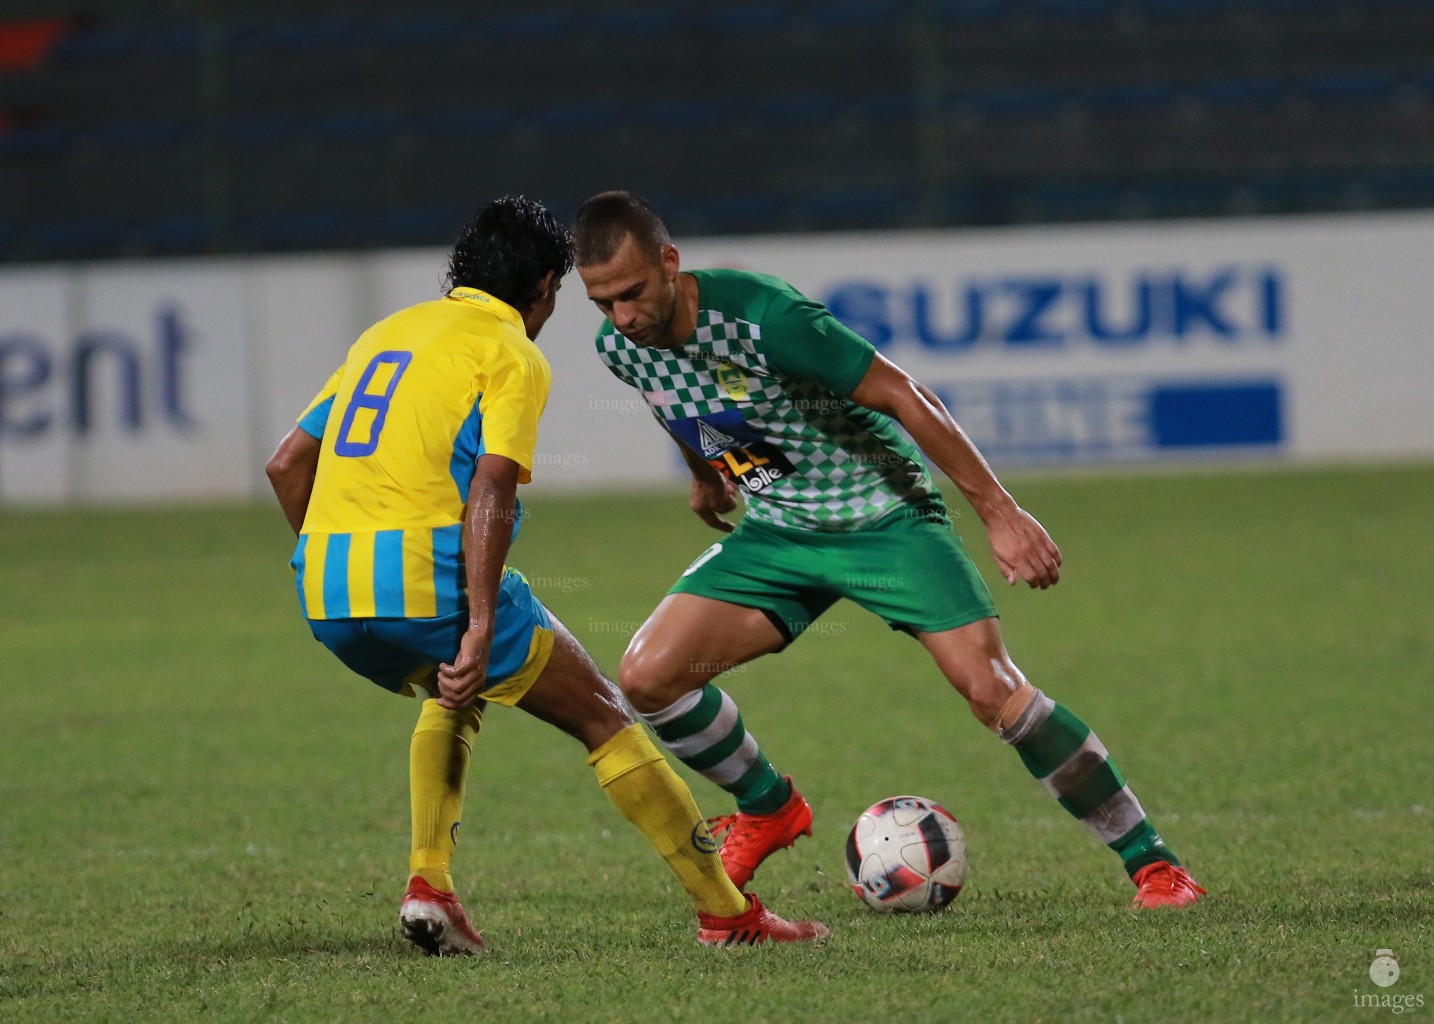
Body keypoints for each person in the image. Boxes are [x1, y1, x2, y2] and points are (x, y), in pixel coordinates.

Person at [572, 189, 1205, 909]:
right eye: (602, 303)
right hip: (780, 530)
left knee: (995, 693)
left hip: (885, 516)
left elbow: (908, 396)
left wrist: (1000, 513)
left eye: (632, 293)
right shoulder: (621, 348)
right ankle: (769, 806)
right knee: (648, 676)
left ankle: (1154, 863)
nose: (623, 317)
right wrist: (706, 479)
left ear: (669, 263)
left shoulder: (767, 318)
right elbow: (679, 403)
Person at [264, 195, 829, 954]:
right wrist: (481, 620)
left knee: (453, 693)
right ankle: (729, 916)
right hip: (426, 578)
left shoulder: (386, 334)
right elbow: (492, 491)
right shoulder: (509, 354)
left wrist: (343, 558)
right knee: (605, 715)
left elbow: (285, 464)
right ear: (540, 291)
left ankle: (431, 887)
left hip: (327, 589)